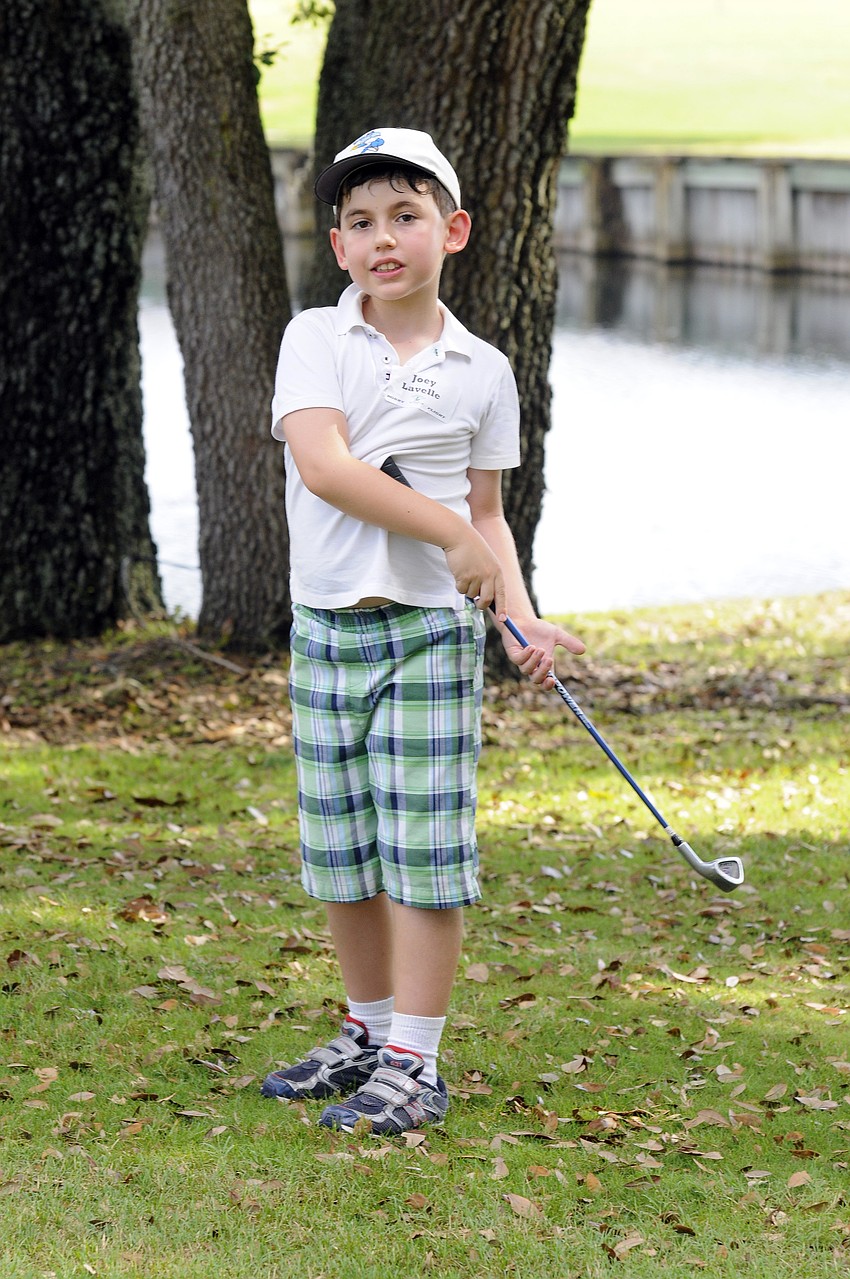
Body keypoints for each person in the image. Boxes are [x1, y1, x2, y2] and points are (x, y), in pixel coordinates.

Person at [261, 127, 584, 1135]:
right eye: (360, 223)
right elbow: (326, 468)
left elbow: (487, 518)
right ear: (337, 243)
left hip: (429, 637)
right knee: (343, 852)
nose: (382, 238)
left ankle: (416, 1059)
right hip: (327, 629)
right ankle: (365, 1030)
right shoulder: (314, 337)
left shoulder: (483, 371)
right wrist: (446, 527)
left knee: (423, 854)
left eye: (404, 216)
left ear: (453, 229)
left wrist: (519, 620)